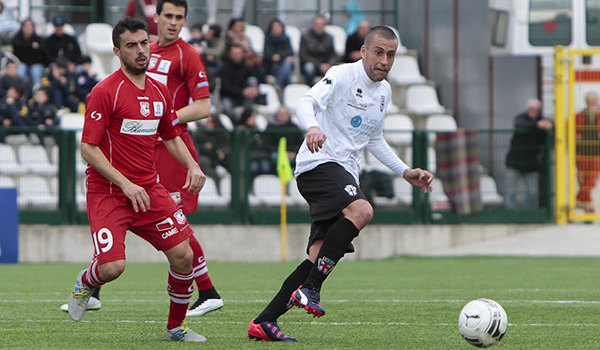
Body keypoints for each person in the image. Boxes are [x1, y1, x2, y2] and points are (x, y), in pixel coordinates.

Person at [247, 26, 433, 342]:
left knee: (317, 254)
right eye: (379, 52)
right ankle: (311, 289)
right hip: (318, 164)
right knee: (362, 210)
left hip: (343, 172)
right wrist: (313, 127)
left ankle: (264, 321)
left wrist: (404, 171)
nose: (384, 60)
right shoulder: (343, 75)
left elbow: (374, 138)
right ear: (363, 51)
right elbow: (305, 102)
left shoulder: (384, 92)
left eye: (391, 54)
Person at [64, 17, 207, 342]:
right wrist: (125, 183)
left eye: (144, 43)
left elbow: (171, 136)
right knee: (113, 268)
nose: (141, 51)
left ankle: (176, 327)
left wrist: (192, 166)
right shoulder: (105, 92)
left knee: (184, 256)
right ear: (117, 51)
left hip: (149, 190)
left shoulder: (159, 92)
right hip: (109, 192)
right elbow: (87, 149)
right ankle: (87, 281)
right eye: (132, 45)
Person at [148, 0, 223, 316]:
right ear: (157, 17)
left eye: (180, 17)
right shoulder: (145, 50)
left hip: (173, 150)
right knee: (124, 209)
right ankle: (207, 291)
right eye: (169, 16)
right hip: (144, 150)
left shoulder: (187, 54)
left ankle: (207, 291)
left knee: (175, 223)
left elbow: (203, 107)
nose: (174, 22)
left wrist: (166, 117)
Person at [504, 98, 553, 209]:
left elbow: (550, 125)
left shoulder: (542, 119)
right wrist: (538, 125)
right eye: (532, 109)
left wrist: (546, 125)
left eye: (536, 109)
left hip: (531, 164)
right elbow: (520, 124)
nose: (534, 111)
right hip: (514, 162)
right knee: (511, 190)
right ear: (528, 109)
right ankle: (511, 213)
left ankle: (528, 212)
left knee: (531, 192)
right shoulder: (521, 118)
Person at [218, 44, 259, 125]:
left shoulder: (247, 67)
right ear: (230, 54)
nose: (236, 56)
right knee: (226, 106)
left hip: (244, 97)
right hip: (229, 96)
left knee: (252, 80)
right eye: (234, 53)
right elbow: (225, 87)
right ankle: (236, 125)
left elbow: (256, 78)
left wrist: (255, 89)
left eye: (238, 53)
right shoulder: (224, 68)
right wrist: (242, 91)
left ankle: (244, 124)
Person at [575, 91, 600, 213]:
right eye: (589, 100)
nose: (591, 103)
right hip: (581, 154)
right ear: (586, 101)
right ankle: (588, 210)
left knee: (591, 181)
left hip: (596, 155)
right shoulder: (579, 116)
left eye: (593, 100)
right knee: (583, 181)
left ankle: (578, 200)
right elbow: (574, 133)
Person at [299, 15, 337, 86]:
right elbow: (304, 56)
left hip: (326, 64)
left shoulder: (329, 37)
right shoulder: (305, 36)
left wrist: (329, 64)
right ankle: (310, 88)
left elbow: (333, 55)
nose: (319, 26)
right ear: (313, 25)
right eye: (317, 24)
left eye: (322, 24)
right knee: (309, 68)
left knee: (339, 67)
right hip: (313, 64)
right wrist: (319, 65)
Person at [12, 18, 47, 92]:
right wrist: (31, 45)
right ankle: (24, 93)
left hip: (36, 64)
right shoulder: (17, 38)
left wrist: (27, 46)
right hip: (22, 64)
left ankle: (36, 94)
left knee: (36, 72)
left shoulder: (39, 39)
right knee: (21, 72)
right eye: (26, 25)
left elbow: (43, 52)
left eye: (30, 25)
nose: (28, 28)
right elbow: (17, 48)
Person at [263, 18, 294, 89]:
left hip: (284, 64)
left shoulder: (286, 38)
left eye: (278, 26)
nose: (277, 28)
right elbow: (267, 54)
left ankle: (278, 84)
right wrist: (274, 57)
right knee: (287, 69)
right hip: (272, 66)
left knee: (288, 63)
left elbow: (290, 52)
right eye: (275, 26)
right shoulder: (268, 39)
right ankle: (289, 87)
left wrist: (279, 56)